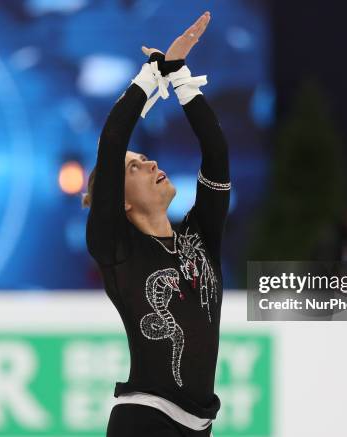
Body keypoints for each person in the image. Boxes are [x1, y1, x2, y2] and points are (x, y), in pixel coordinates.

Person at [83, 12, 230, 437]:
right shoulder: (116, 247)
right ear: (121, 201)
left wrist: (180, 76)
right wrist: (150, 76)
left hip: (198, 427)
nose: (148, 162)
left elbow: (216, 152)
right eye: (134, 168)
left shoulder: (200, 236)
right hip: (145, 420)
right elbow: (112, 144)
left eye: (144, 159)